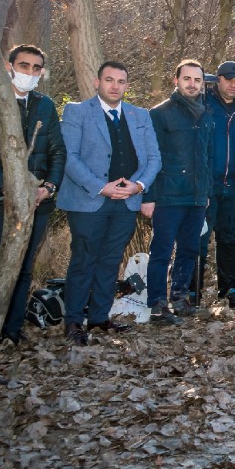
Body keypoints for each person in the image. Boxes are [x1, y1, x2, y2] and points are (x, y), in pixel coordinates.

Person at [57, 61, 161, 345]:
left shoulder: (140, 115)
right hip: (89, 200)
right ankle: (74, 321)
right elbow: (70, 157)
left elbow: (154, 158)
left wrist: (138, 186)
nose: (115, 86)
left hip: (127, 201)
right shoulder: (77, 112)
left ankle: (100, 317)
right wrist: (101, 187)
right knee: (83, 260)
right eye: (109, 80)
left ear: (127, 85)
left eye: (121, 81)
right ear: (97, 82)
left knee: (111, 259)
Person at [0, 43, 66, 348]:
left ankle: (13, 328)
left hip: (39, 203)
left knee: (24, 267)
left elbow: (58, 151)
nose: (29, 73)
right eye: (24, 66)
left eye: (36, 68)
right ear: (10, 67)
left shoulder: (45, 105)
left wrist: (48, 188)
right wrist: (12, 190)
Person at [143, 60, 214, 324]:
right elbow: (150, 157)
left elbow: (207, 155)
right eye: (187, 79)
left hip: (196, 197)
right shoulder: (160, 114)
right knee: (161, 251)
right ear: (177, 81)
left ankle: (180, 298)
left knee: (189, 249)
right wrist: (148, 196)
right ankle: (157, 305)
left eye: (197, 80)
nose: (192, 84)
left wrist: (206, 192)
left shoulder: (206, 115)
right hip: (167, 196)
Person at [200, 61, 235, 310]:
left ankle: (229, 288)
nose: (233, 85)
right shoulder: (203, 105)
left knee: (229, 238)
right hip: (207, 185)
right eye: (229, 79)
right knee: (199, 237)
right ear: (217, 80)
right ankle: (192, 291)